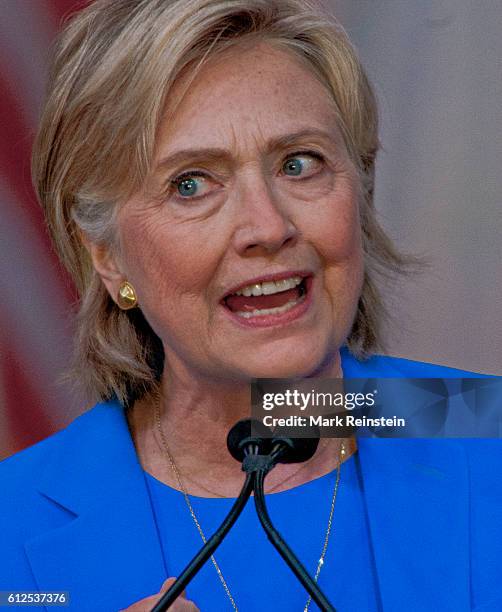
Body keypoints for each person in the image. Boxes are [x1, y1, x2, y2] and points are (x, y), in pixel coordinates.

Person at [0, 1, 500, 610]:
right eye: (191, 183)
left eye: (299, 163)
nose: (267, 226)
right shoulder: (14, 524)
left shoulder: (486, 425)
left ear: (360, 193)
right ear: (107, 255)